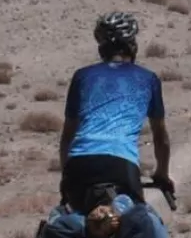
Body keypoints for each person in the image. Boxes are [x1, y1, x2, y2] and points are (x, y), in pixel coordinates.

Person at [60, 11, 175, 211]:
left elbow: (67, 137)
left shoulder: (82, 76)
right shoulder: (148, 79)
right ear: (133, 46)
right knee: (139, 224)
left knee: (75, 220)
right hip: (121, 164)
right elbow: (160, 137)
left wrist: (66, 176)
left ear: (101, 48)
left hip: (79, 164)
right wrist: (162, 174)